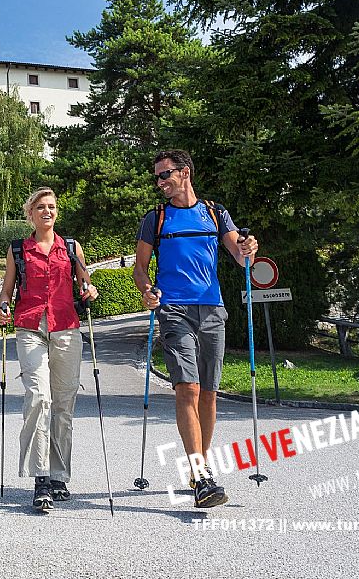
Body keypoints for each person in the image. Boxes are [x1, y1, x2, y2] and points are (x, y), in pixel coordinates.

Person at [133, 150, 258, 508]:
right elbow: (141, 268)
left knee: (209, 393)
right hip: (174, 310)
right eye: (157, 177)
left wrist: (249, 246)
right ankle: (201, 474)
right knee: (187, 387)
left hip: (212, 309)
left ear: (184, 173)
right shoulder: (155, 218)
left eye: (165, 175)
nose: (159, 182)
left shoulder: (215, 213)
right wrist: (147, 291)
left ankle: (198, 470)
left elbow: (239, 253)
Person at [0, 187, 99, 511]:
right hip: (30, 327)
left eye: (52, 207)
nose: (47, 212)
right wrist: (1, 309)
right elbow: (6, 292)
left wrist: (89, 290)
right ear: (31, 214)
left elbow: (84, 282)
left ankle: (59, 475)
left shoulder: (71, 247)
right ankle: (41, 477)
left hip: (66, 328)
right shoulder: (18, 250)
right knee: (39, 397)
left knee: (64, 404)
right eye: (40, 207)